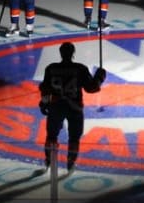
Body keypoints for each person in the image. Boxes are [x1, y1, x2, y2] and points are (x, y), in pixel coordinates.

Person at [38, 42, 106, 171]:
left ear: (61, 53)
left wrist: (44, 103)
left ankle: (49, 159)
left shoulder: (51, 68)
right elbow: (92, 88)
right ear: (73, 53)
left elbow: (45, 89)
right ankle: (71, 161)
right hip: (74, 108)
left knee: (52, 135)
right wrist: (99, 77)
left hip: (56, 106)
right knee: (74, 137)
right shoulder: (80, 69)